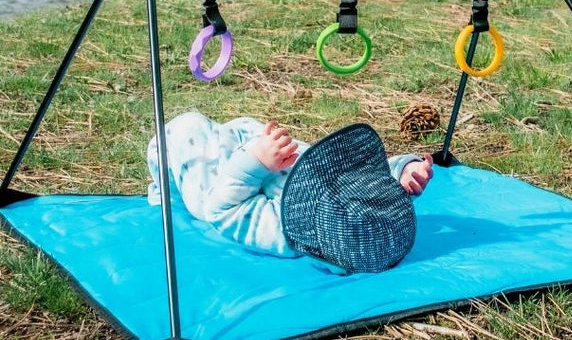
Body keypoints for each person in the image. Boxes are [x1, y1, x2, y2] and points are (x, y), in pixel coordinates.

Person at [147, 111, 433, 272]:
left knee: (184, 130)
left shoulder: (283, 232)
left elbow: (225, 209)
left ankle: (166, 189)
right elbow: (370, 170)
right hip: (257, 143)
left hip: (217, 172)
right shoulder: (366, 213)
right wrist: (404, 171)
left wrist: (255, 160)